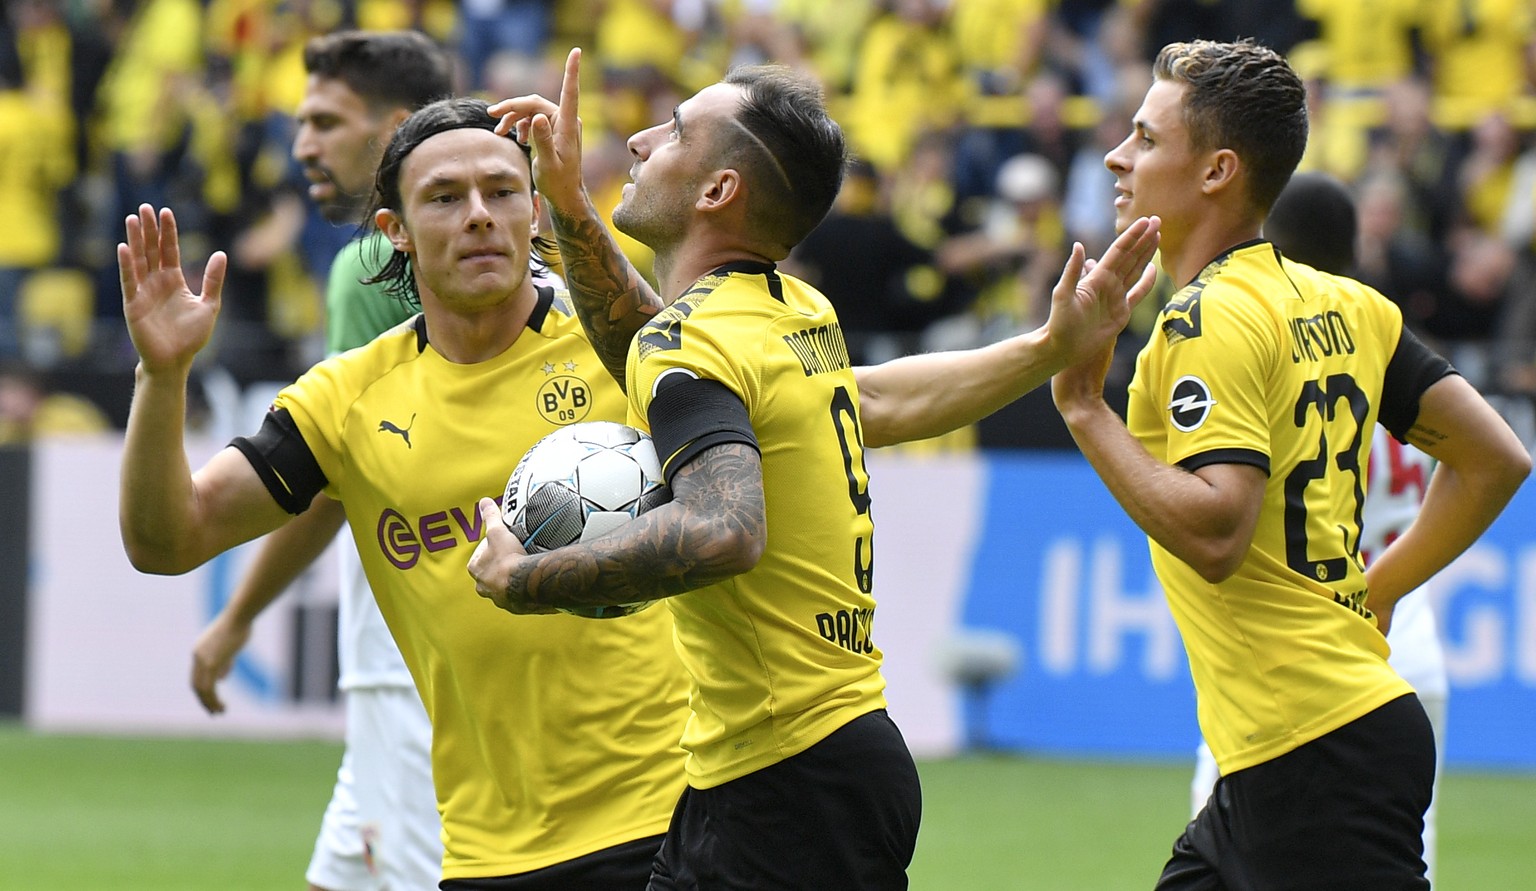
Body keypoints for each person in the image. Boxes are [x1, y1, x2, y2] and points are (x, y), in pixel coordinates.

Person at [471, 49, 1160, 888]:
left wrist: (530, 577)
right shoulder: (793, 311)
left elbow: (725, 529)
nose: (644, 140)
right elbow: (880, 402)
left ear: (718, 191)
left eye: (676, 130)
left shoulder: (696, 341)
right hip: (816, 758)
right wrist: (1047, 348)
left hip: (783, 780)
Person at [119, 98, 694, 888]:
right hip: (488, 849)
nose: (480, 216)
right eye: (445, 197)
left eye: (503, 192)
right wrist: (162, 375)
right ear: (394, 229)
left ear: (536, 212)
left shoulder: (623, 346)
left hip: (676, 818)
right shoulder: (348, 398)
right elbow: (167, 538)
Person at [1050, 40, 1530, 889]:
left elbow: (1216, 530)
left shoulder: (1205, 320)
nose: (1118, 156)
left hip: (1312, 750)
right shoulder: (1348, 304)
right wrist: (1375, 592)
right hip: (1304, 743)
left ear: (1217, 171)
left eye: (1147, 139)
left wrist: (1085, 409)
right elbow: (1495, 458)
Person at [186, 31, 452, 891]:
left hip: (412, 652)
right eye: (300, 122)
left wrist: (237, 617)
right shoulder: (494, 252)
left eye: (327, 122)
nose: (301, 143)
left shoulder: (379, 267)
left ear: (397, 128)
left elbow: (334, 484)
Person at [1186, 171, 1451, 884]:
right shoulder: (1386, 337)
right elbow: (1482, 455)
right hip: (1408, 641)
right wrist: (1388, 585)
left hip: (1300, 652)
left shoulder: (1273, 344)